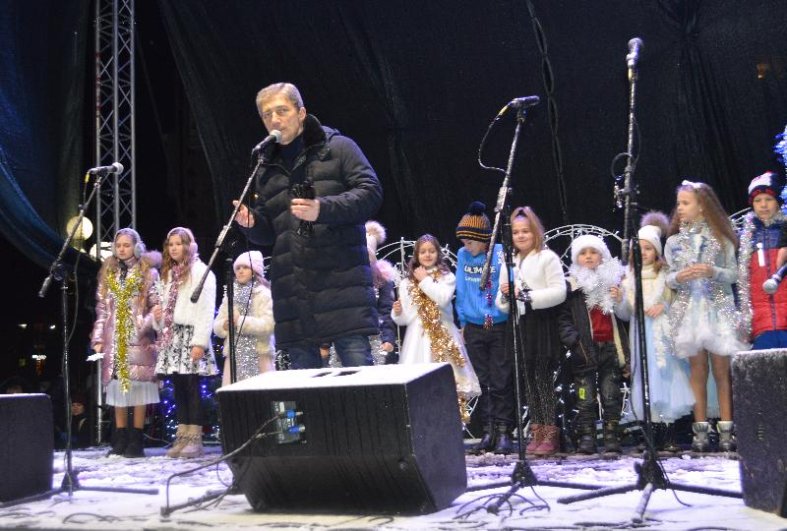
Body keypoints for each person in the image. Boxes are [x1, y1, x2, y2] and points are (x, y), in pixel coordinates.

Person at [233, 82, 383, 370]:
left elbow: (371, 192)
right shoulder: (265, 167)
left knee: (359, 380)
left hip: (341, 282)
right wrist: (251, 224)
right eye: (267, 115)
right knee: (305, 386)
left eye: (282, 111)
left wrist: (322, 209)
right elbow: (270, 233)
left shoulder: (338, 147)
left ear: (301, 113)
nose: (274, 119)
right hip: (293, 292)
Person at [664, 180, 749, 452]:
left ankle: (727, 430)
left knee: (722, 371)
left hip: (718, 310)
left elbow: (733, 274)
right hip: (690, 311)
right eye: (678, 203)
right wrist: (680, 276)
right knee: (697, 371)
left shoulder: (721, 238)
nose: (680, 208)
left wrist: (713, 272)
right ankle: (700, 431)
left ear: (702, 206)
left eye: (685, 203)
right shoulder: (674, 242)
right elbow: (669, 277)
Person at [615, 213, 694, 452]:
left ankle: (669, 434)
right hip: (641, 336)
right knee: (645, 379)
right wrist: (619, 301)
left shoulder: (665, 276)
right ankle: (651, 434)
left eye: (648, 248)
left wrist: (664, 306)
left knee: (666, 378)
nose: (643, 252)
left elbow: (678, 302)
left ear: (656, 251)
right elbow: (625, 313)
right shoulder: (629, 279)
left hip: (662, 335)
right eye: (639, 248)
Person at [496, 207, 567, 456]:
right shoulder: (509, 262)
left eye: (525, 231)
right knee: (528, 381)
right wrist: (506, 296)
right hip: (520, 325)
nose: (520, 235)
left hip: (541, 322)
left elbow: (559, 291)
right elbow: (501, 303)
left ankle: (550, 433)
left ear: (535, 232)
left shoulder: (547, 257)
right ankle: (536, 431)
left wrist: (525, 295)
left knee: (542, 379)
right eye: (516, 232)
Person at [392, 234, 481, 424]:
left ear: (438, 253)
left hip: (445, 334)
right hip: (418, 339)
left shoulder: (446, 277)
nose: (427, 255)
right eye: (423, 251)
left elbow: (442, 299)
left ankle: (450, 426)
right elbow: (407, 317)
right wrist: (397, 313)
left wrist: (424, 280)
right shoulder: (407, 282)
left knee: (450, 384)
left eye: (431, 251)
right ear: (416, 254)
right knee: (421, 386)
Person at [90, 228, 160, 458]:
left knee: (138, 389)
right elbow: (102, 309)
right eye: (118, 245)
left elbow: (156, 305)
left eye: (126, 245)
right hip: (114, 338)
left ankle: (136, 440)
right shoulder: (108, 274)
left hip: (138, 338)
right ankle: (120, 439)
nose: (121, 249)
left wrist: (144, 325)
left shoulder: (148, 273)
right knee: (117, 388)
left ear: (136, 247)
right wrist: (98, 338)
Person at [557, 234, 629, 454]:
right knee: (584, 395)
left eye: (593, 252)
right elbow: (563, 319)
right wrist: (574, 342)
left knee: (611, 394)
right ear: (576, 258)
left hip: (610, 346)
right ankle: (587, 436)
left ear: (602, 256)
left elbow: (624, 317)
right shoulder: (571, 287)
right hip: (583, 349)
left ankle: (611, 435)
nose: (588, 257)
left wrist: (620, 299)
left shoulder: (613, 282)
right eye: (583, 253)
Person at [153, 227, 218, 458]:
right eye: (170, 244)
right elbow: (164, 306)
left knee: (191, 387)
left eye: (178, 244)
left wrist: (199, 342)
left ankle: (194, 439)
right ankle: (182, 436)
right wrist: (158, 318)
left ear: (188, 246)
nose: (174, 248)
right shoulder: (169, 274)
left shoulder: (201, 271)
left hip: (191, 336)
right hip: (173, 337)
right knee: (179, 387)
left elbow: (206, 310)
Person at [455, 201, 512, 454]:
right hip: (474, 326)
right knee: (483, 381)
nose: (466, 246)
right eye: (464, 241)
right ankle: (488, 430)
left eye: (470, 241)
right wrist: (463, 322)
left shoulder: (499, 253)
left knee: (500, 380)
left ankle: (504, 430)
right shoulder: (462, 255)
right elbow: (461, 289)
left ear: (482, 238)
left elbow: (504, 284)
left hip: (496, 323)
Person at [738, 172, 787, 349]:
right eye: (758, 200)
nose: (763, 205)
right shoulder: (746, 237)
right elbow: (742, 282)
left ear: (778, 202)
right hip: (760, 323)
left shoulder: (785, 231)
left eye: (769, 199)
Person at [214, 250, 276, 386]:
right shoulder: (230, 296)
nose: (240, 271)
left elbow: (269, 325)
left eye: (245, 267)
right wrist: (224, 325)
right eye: (238, 268)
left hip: (260, 355)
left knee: (259, 394)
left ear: (255, 271)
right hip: (235, 357)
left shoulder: (264, 294)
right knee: (235, 395)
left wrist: (240, 321)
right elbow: (217, 325)